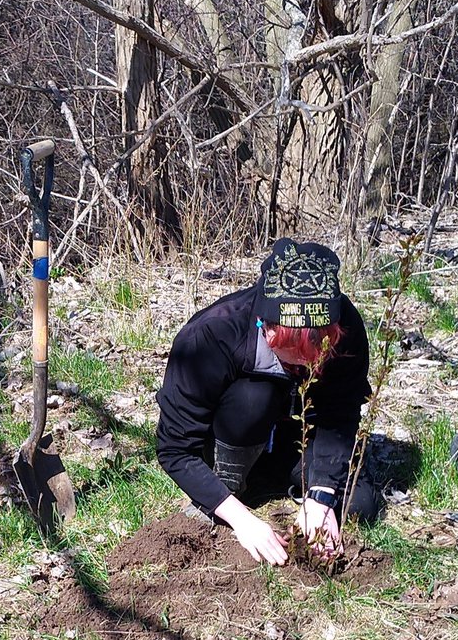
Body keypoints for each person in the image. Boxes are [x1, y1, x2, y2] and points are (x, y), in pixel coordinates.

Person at [155, 238, 380, 565]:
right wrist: (242, 520)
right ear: (266, 326)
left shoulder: (345, 329)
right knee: (254, 396)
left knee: (359, 505)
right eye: (294, 356)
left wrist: (320, 498)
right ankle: (230, 485)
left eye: (318, 350)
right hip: (231, 437)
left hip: (293, 439)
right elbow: (174, 450)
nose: (306, 364)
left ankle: (287, 486)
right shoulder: (211, 336)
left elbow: (340, 415)